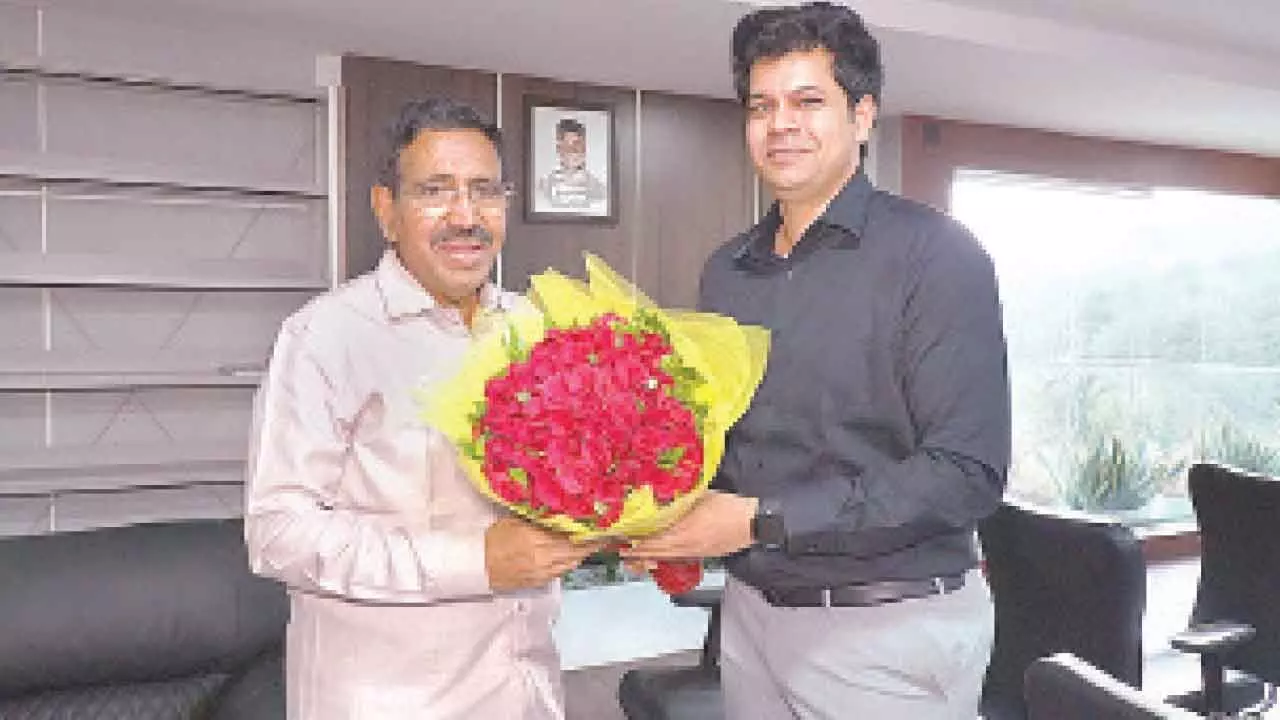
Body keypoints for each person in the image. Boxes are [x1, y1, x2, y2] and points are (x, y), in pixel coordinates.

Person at [623, 3, 1011, 718]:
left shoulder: (936, 256)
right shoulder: (727, 272)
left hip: (887, 627)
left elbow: (966, 472)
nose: (781, 124)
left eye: (808, 101)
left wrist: (757, 519)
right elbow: (732, 451)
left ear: (862, 116)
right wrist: (663, 519)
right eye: (761, 105)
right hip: (750, 615)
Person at [244, 97, 599, 719]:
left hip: (526, 689)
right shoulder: (326, 335)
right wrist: (475, 561)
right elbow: (279, 533)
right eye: (436, 191)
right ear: (387, 210)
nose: (466, 216)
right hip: (388, 700)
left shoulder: (536, 328)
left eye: (485, 191)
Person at [538, 117, 607, 210]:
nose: (573, 151)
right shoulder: (545, 185)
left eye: (578, 144)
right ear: (559, 149)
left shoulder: (598, 189)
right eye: (566, 146)